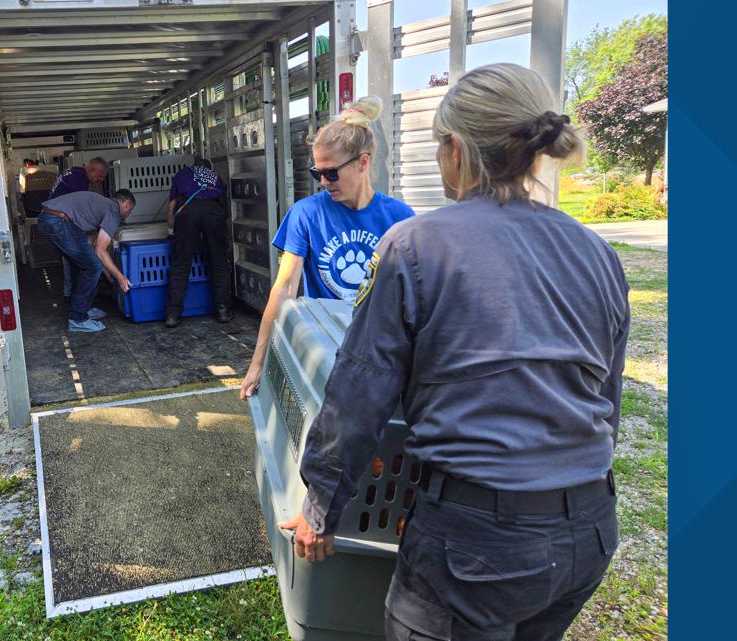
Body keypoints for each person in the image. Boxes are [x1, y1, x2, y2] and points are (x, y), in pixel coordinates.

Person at [276, 63, 630, 641]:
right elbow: (604, 397)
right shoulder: (597, 252)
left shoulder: (416, 246)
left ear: (457, 150)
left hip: (475, 545)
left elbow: (360, 389)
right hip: (588, 531)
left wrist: (320, 508)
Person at [240, 96, 415, 398]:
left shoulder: (399, 217)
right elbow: (283, 289)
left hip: (377, 348)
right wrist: (258, 362)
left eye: (331, 173)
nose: (323, 182)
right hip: (324, 342)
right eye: (317, 173)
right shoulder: (306, 214)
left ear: (363, 162)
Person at [38, 190, 136, 333]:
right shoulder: (113, 211)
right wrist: (120, 277)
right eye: (130, 211)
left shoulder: (100, 207)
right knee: (92, 267)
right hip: (58, 221)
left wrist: (109, 274)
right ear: (126, 206)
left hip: (52, 218)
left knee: (83, 264)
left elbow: (91, 249)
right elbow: (100, 251)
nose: (127, 214)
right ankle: (77, 319)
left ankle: (82, 308)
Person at [164, 159, 234, 327]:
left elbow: (172, 205)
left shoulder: (182, 173)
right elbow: (225, 208)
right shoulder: (216, 176)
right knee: (219, 263)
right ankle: (223, 310)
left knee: (181, 263)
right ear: (208, 168)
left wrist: (171, 231)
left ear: (194, 166)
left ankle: (173, 314)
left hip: (189, 211)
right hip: (214, 212)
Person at [50, 158, 112, 300]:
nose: (101, 180)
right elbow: (79, 209)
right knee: (80, 261)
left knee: (70, 260)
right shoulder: (79, 180)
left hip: (56, 220)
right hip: (60, 221)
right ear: (91, 170)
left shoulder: (73, 172)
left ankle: (69, 294)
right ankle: (78, 302)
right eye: (100, 176)